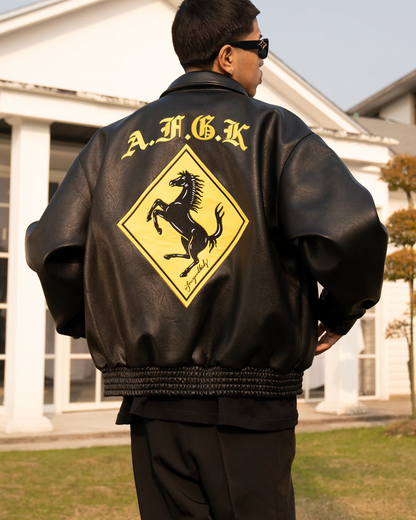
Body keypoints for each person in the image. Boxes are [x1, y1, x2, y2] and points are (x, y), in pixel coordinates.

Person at [26, 0, 388, 518]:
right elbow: (350, 230)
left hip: (152, 406)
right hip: (250, 402)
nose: (264, 59)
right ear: (226, 56)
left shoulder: (110, 145)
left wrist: (101, 322)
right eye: (258, 47)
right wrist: (338, 311)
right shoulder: (276, 133)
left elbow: (53, 250)